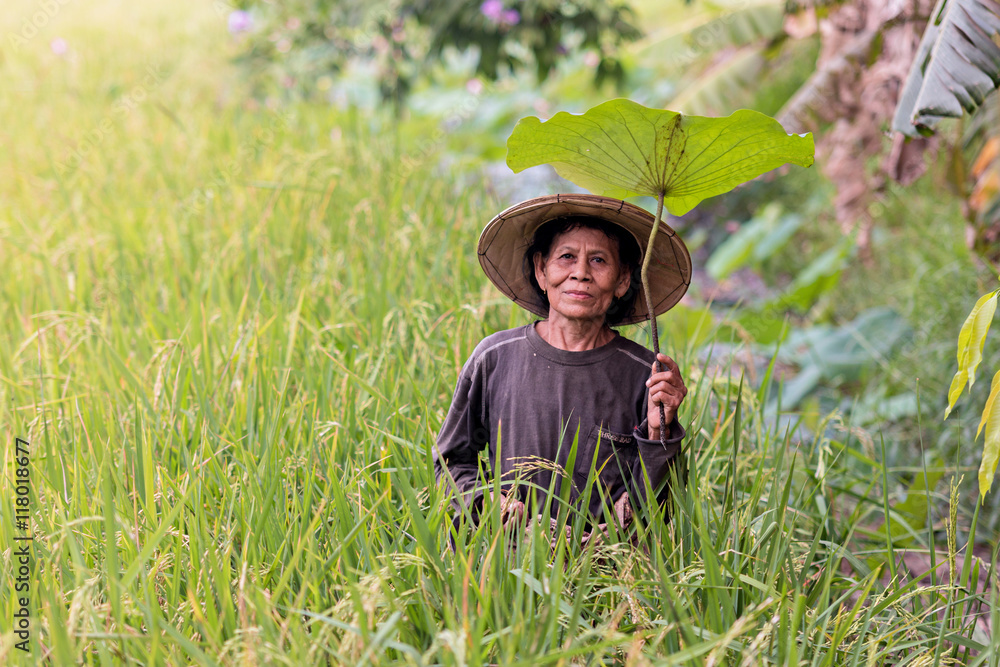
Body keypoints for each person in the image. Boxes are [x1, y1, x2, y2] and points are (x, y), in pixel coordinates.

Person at [433, 193, 692, 529]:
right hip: (506, 560)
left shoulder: (645, 375)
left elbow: (658, 507)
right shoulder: (494, 358)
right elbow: (450, 463)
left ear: (623, 279)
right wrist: (486, 501)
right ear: (542, 271)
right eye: (566, 257)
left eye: (599, 261)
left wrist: (660, 432)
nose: (580, 273)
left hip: (602, 567)